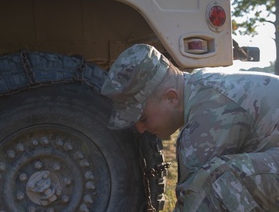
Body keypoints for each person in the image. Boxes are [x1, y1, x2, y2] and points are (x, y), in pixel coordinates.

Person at [101, 43, 279, 212]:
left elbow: (195, 199)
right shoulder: (200, 89)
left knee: (218, 182)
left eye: (143, 118)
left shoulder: (209, 113)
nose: (140, 129)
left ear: (171, 97)